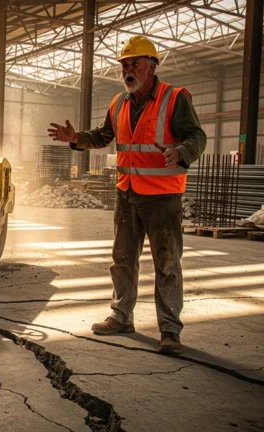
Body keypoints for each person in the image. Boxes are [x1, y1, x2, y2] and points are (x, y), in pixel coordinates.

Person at [47, 36, 206, 354]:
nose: (128, 70)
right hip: (127, 194)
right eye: (124, 65)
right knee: (122, 260)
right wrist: (76, 137)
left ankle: (170, 332)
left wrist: (181, 151)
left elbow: (196, 135)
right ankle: (121, 317)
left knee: (167, 264)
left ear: (152, 66)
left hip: (162, 197)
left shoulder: (174, 98)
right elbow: (103, 136)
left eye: (134, 64)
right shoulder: (119, 103)